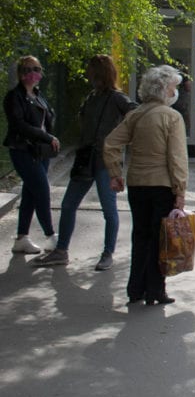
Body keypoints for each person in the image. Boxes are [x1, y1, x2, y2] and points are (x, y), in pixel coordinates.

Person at [33, 55, 135, 269]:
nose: (87, 73)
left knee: (109, 209)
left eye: (90, 69)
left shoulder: (117, 98)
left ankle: (107, 254)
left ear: (100, 73)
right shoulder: (93, 96)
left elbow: (135, 115)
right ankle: (61, 251)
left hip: (105, 161)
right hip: (86, 158)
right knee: (68, 204)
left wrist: (120, 142)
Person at [103, 65, 188, 306]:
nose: (175, 92)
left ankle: (135, 289)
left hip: (137, 184)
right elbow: (177, 159)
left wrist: (115, 173)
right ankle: (155, 290)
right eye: (173, 87)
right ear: (163, 89)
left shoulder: (136, 114)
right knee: (159, 239)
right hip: (162, 186)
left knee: (139, 235)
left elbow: (110, 143)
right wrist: (180, 191)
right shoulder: (172, 117)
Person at [4, 55, 59, 254]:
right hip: (23, 150)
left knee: (31, 193)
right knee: (42, 191)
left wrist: (47, 139)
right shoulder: (14, 97)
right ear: (20, 73)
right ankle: (51, 236)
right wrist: (46, 136)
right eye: (27, 70)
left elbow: (48, 119)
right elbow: (19, 125)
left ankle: (22, 238)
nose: (32, 73)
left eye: (36, 69)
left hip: (40, 151)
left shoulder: (39, 95)